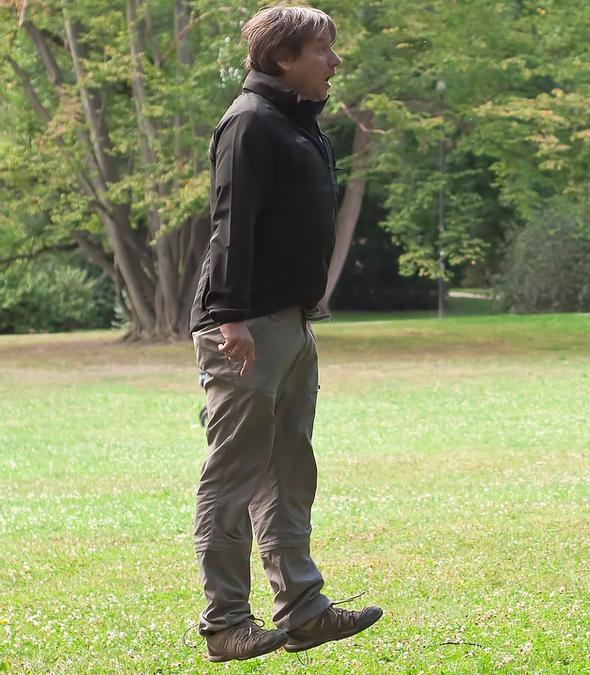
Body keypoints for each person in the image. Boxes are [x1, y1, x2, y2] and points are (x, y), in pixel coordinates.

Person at [188, 5, 381, 663]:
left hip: (292, 322)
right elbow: (230, 226)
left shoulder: (293, 122)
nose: (334, 61)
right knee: (234, 473)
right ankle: (225, 623)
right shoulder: (249, 124)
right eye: (322, 49)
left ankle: (303, 609)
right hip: (246, 326)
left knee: (289, 468)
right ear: (282, 59)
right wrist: (229, 317)